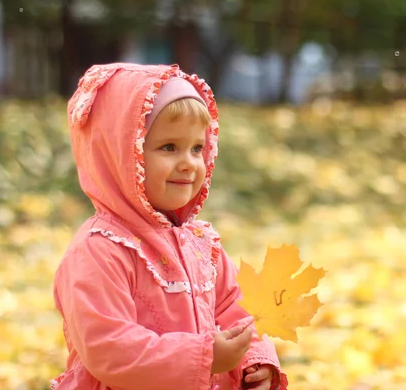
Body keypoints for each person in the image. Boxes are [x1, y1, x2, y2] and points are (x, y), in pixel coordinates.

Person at [51, 63, 288, 390]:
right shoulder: (98, 252)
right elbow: (108, 347)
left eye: (196, 148)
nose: (189, 163)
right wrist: (204, 357)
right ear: (121, 155)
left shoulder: (201, 244)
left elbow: (238, 309)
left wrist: (254, 358)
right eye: (168, 147)